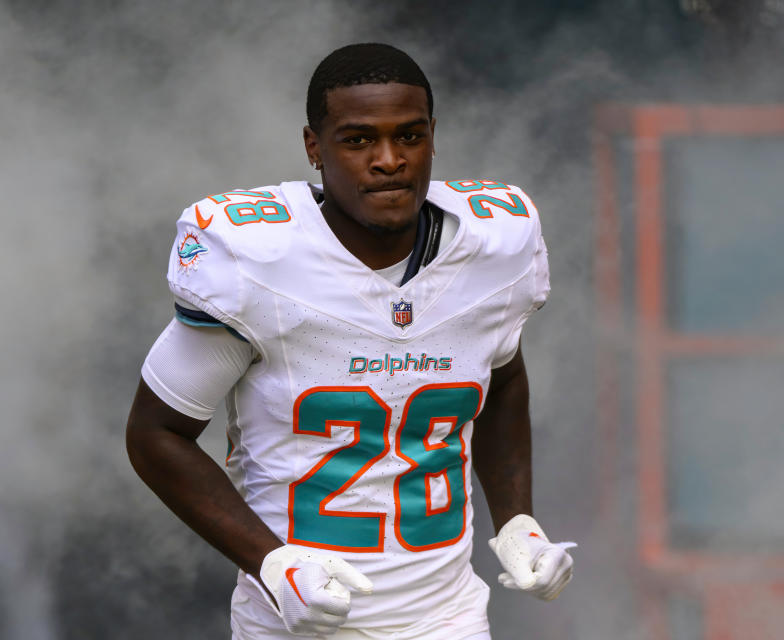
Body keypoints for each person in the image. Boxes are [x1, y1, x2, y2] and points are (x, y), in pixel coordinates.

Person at [126, 42, 575, 639]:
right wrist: (272, 563)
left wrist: (517, 519)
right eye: (359, 140)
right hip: (295, 625)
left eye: (410, 137)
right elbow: (156, 433)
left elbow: (503, 373)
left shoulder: (494, 249)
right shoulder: (258, 262)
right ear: (315, 147)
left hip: (447, 618)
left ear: (433, 137)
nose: (389, 160)